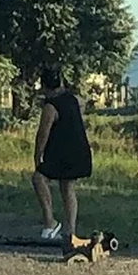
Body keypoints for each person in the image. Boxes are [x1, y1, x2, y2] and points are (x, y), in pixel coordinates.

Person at [31, 68, 92, 243]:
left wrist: (37, 157)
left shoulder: (51, 107)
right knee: (67, 187)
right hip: (79, 153)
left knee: (38, 178)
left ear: (44, 87)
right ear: (61, 83)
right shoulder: (73, 101)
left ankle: (50, 222)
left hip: (63, 155)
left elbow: (42, 134)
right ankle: (70, 231)